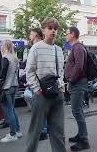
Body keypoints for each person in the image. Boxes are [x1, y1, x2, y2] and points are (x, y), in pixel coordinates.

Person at [25, 18, 66, 152]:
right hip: (42, 94)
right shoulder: (36, 48)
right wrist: (36, 89)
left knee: (58, 130)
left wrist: (61, 86)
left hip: (57, 93)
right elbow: (29, 71)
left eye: (55, 28)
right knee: (35, 130)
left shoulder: (59, 50)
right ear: (43, 30)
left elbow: (60, 71)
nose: (53, 30)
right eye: (50, 28)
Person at [65, 26, 90, 151]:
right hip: (77, 82)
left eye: (67, 33)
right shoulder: (75, 47)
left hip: (78, 83)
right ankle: (80, 134)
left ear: (73, 34)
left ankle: (84, 140)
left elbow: (79, 66)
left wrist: (71, 80)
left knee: (77, 111)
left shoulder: (78, 47)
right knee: (77, 110)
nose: (66, 36)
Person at [23, 28, 49, 141]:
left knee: (39, 108)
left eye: (31, 33)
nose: (29, 35)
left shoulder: (37, 47)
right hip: (40, 81)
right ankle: (44, 129)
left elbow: (33, 67)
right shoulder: (40, 46)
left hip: (38, 82)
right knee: (41, 107)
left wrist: (33, 83)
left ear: (36, 35)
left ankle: (42, 130)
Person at [0, 40, 22, 142]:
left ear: (4, 46)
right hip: (14, 85)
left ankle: (13, 134)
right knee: (12, 109)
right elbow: (17, 74)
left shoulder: (5, 58)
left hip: (7, 87)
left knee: (8, 111)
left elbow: (2, 75)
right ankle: (17, 131)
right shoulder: (15, 58)